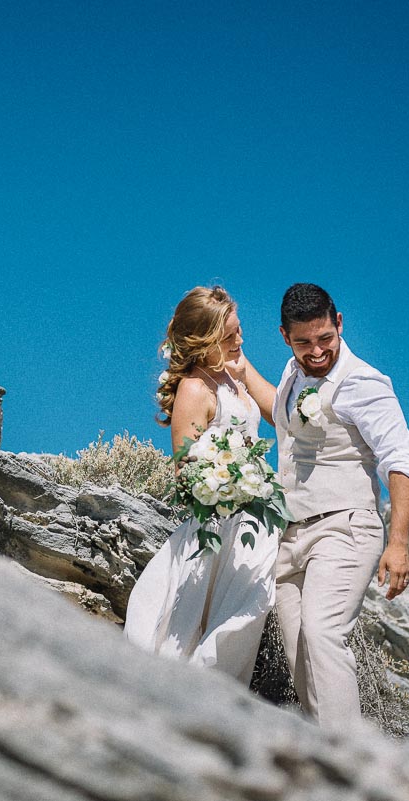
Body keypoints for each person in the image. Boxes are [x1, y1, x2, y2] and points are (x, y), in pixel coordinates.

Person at [271, 283, 409, 726]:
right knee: (300, 654)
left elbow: (399, 459)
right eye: (303, 342)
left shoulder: (363, 383)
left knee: (323, 633)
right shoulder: (291, 373)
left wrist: (398, 543)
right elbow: (284, 421)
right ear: (285, 336)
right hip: (290, 537)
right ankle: (326, 762)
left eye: (324, 339)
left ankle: (353, 764)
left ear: (339, 324)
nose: (315, 351)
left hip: (345, 529)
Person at [123, 286, 280, 685]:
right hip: (218, 526)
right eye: (229, 336)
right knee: (201, 627)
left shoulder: (233, 370)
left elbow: (279, 414)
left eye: (239, 330)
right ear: (203, 340)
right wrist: (233, 485)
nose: (240, 340)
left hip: (256, 524)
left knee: (244, 617)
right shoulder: (194, 389)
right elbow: (186, 473)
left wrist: (243, 369)